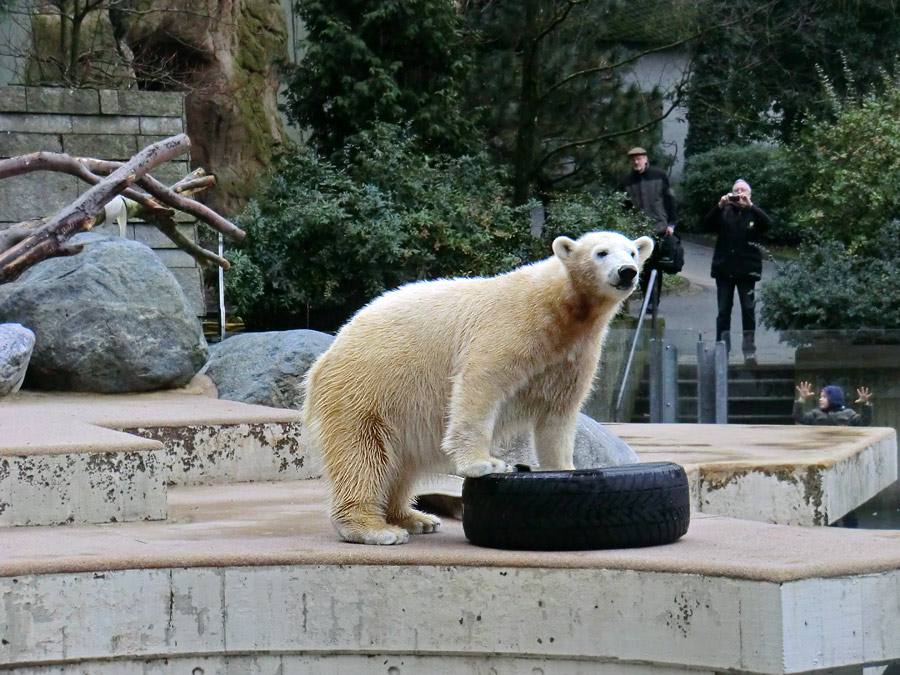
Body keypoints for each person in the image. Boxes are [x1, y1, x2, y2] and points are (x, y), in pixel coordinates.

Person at [703, 179, 773, 365]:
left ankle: (749, 350)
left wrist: (751, 207)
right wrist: (719, 206)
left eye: (743, 191)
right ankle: (722, 348)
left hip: (746, 270)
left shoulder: (754, 214)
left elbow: (769, 225)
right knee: (723, 311)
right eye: (736, 190)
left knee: (748, 310)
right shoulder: (724, 212)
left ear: (749, 195)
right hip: (724, 269)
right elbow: (705, 224)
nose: (739, 193)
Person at [618, 147, 677, 311]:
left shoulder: (659, 175)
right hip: (638, 230)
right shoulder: (627, 181)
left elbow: (670, 199)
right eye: (633, 160)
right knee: (642, 265)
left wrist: (672, 223)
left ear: (645, 159)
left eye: (639, 158)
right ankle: (647, 298)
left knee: (656, 266)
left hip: (659, 227)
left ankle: (653, 301)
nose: (636, 162)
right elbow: (622, 206)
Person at [793, 382, 873, 426]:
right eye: (820, 397)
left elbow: (865, 421)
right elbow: (798, 416)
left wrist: (865, 403)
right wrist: (802, 399)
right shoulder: (815, 414)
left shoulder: (849, 414)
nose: (820, 399)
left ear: (833, 398)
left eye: (824, 397)